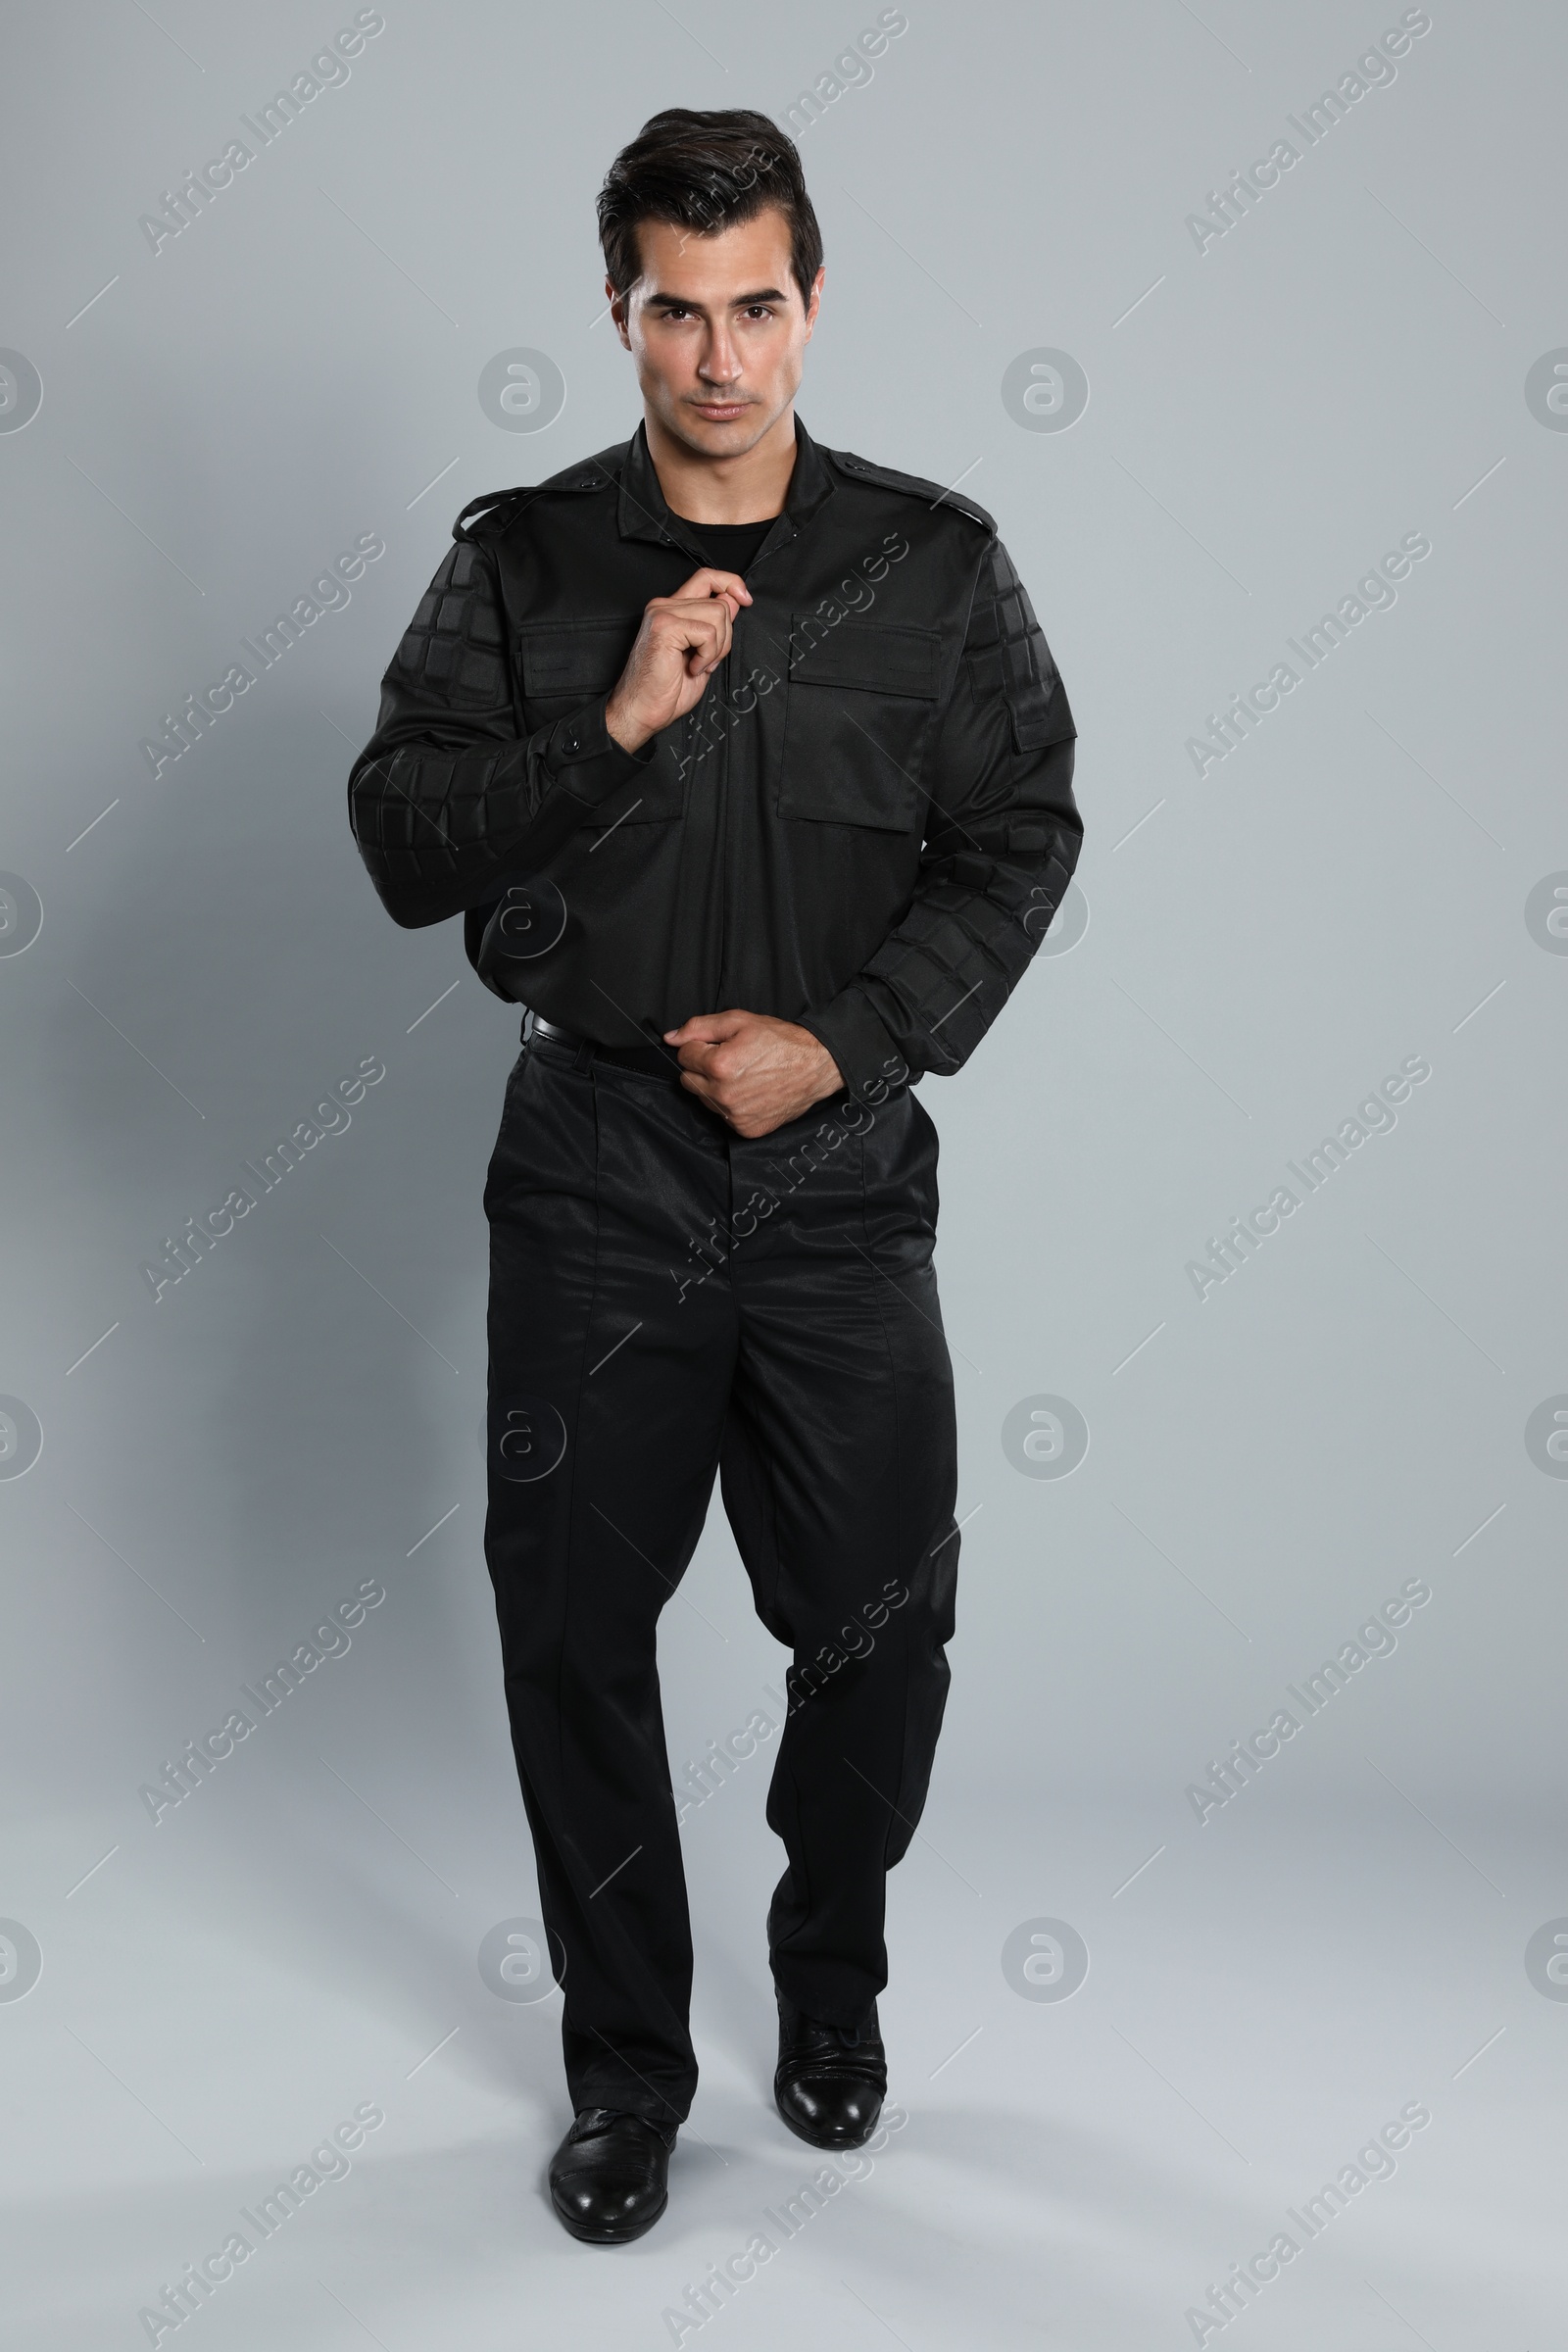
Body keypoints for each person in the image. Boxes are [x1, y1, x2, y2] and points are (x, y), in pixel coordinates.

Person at [347, 106, 1081, 2244]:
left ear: (809, 300)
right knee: (573, 1630)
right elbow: (403, 840)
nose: (717, 357)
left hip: (837, 1171)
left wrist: (841, 1044)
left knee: (882, 1623)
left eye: (754, 304)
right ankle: (628, 2073)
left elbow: (1017, 834)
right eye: (675, 311)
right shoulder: (521, 564)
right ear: (618, 315)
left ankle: (827, 1967)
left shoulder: (933, 563)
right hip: (591, 1168)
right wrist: (609, 734)